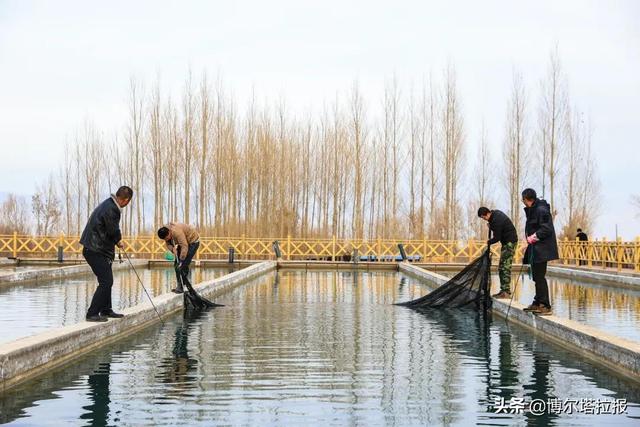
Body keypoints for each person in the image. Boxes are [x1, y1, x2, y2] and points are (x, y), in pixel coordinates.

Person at [80, 186, 133, 322]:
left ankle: (106, 310)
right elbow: (112, 230)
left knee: (107, 280)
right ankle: (92, 313)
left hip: (98, 249)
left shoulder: (109, 204)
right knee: (106, 281)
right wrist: (119, 241)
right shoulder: (112, 209)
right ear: (126, 200)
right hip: (94, 249)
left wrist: (116, 242)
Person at [521, 188, 559, 316]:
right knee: (537, 276)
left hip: (543, 249)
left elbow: (546, 229)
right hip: (536, 248)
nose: (523, 202)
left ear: (527, 198)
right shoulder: (533, 209)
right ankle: (537, 302)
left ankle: (545, 305)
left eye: (523, 199)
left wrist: (533, 237)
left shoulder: (541, 210)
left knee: (540, 277)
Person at [478, 207, 518, 299]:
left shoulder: (496, 220)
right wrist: (491, 226)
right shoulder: (495, 214)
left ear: (487, 214)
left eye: (484, 217)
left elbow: (497, 238)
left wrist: (488, 242)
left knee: (504, 267)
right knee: (502, 266)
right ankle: (504, 290)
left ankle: (506, 291)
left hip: (510, 242)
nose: (484, 219)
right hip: (507, 242)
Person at [157, 222, 200, 293]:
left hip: (193, 242)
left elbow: (184, 246)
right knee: (176, 265)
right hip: (184, 243)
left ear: (169, 232)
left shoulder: (177, 232)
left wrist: (182, 260)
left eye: (167, 238)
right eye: (165, 239)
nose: (166, 240)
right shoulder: (165, 234)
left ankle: (184, 284)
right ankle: (180, 285)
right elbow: (168, 244)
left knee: (183, 264)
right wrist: (172, 249)